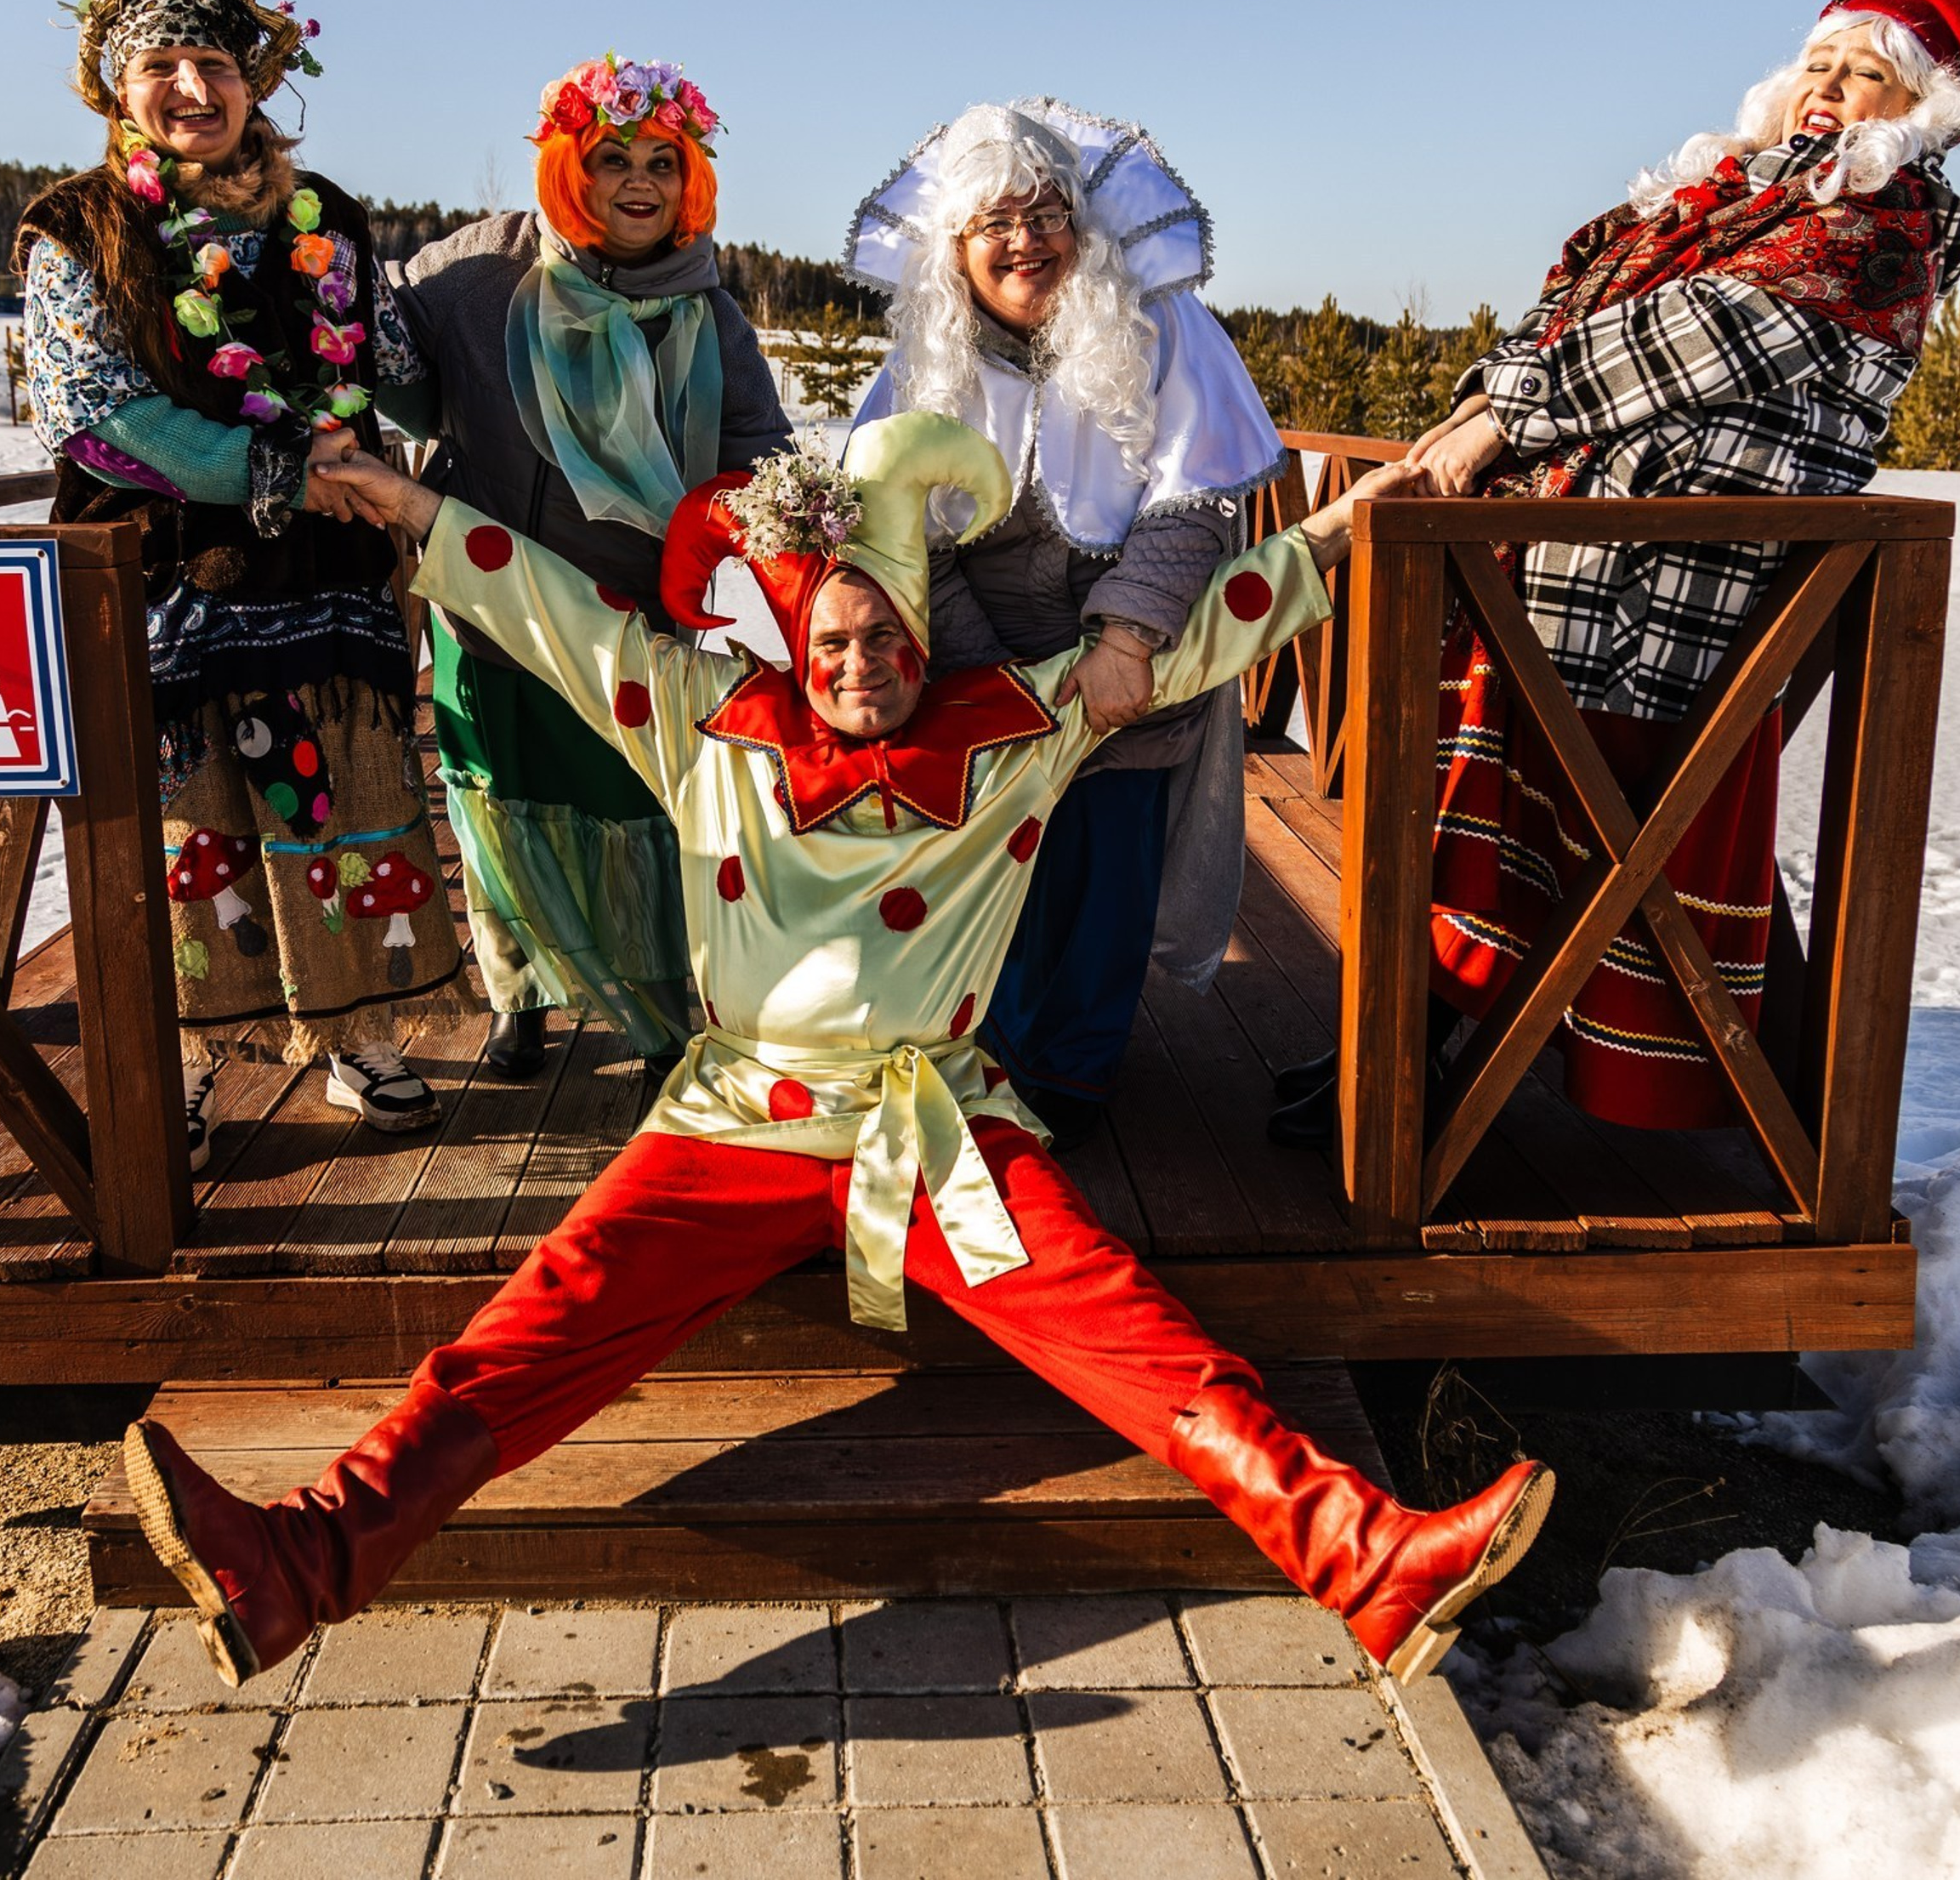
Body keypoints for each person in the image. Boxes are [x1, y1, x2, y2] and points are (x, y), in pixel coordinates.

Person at [122, 413, 1553, 1695]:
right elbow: (548, 605)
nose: (861, 666)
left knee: (1139, 1337)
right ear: (793, 646)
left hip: (935, 1136)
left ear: (925, 643)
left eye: (886, 642)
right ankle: (295, 1566)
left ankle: (1370, 1557)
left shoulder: (1016, 732)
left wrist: (1373, 507)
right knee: (526, 1335)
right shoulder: (707, 723)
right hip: (735, 1124)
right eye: (835, 644)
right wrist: (412, 510)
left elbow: (1228, 620)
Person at [1270, 0, 1960, 1147]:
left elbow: (1680, 343)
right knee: (1454, 804)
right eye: (1823, 68)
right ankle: (1397, 1047)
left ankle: (1437, 1079)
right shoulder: (1714, 197)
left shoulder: (1881, 231)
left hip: (1670, 599)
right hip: (1562, 563)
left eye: (1868, 78)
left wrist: (1497, 418)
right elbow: (1563, 305)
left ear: (1919, 110)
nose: (1830, 94)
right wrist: (1492, 397)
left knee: (1582, 831)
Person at [14, 0, 469, 1163]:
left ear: (254, 81)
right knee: (191, 829)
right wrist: (284, 469)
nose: (192, 89)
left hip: (325, 587)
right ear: (118, 87)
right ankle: (195, 1054)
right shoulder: (81, 231)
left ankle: (355, 1029)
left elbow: (394, 366)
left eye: (213, 60)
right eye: (159, 64)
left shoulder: (330, 219)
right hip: (165, 586)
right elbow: (94, 417)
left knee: (348, 801)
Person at [846, 101, 1287, 1144]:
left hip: (1125, 654)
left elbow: (1196, 496)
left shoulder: (1163, 325)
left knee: (1102, 870)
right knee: (984, 874)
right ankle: (979, 1059)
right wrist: (986, 677)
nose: (1024, 239)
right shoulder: (926, 354)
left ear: (1082, 227)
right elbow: (900, 524)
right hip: (973, 652)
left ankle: (1079, 1080)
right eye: (995, 220)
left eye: (1046, 212)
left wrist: (1125, 637)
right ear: (956, 244)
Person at [383, 59, 789, 1084]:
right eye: (613, 160)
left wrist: (763, 532)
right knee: (499, 802)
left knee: (632, 811)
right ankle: (516, 996)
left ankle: (658, 1013)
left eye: (664, 161)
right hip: (491, 599)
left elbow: (758, 448)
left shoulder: (710, 308)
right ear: (571, 166)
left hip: (635, 615)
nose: (639, 182)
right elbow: (389, 375)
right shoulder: (472, 275)